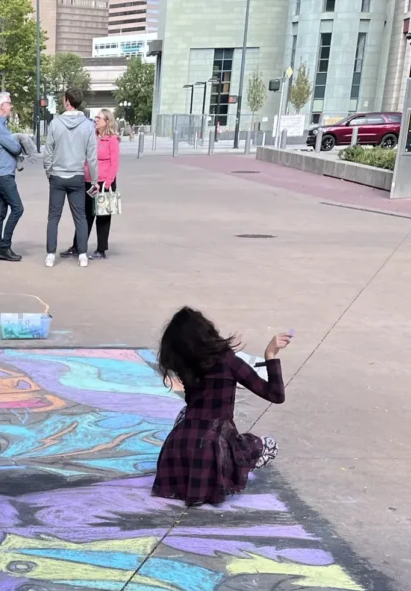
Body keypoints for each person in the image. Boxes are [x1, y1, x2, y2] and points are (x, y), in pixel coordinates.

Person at [152, 307, 291, 506]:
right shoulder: (229, 362)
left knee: (186, 414)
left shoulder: (186, 364)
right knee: (269, 445)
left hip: (176, 450)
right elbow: (275, 395)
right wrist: (270, 355)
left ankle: (195, 476)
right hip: (215, 447)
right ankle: (228, 472)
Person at [43, 88, 98, 268]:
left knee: (53, 217)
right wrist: (95, 180)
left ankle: (50, 254)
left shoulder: (55, 123)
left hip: (58, 175)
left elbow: (48, 152)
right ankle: (82, 254)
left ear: (67, 101)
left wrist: (49, 172)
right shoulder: (88, 125)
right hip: (77, 176)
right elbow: (91, 156)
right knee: (80, 217)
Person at [60, 108, 119, 261]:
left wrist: (108, 182)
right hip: (88, 181)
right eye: (95, 118)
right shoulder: (91, 136)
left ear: (107, 122)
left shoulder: (111, 139)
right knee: (84, 216)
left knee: (103, 217)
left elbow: (114, 163)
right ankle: (78, 246)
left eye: (99, 118)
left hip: (104, 182)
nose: (95, 120)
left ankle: (101, 249)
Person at [0, 91, 24, 263]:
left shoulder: (0, 124)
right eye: (9, 103)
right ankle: (4, 246)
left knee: (0, 212)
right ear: (2, 107)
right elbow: (15, 148)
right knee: (18, 208)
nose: (11, 105)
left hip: (3, 173)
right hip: (3, 175)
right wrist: (18, 142)